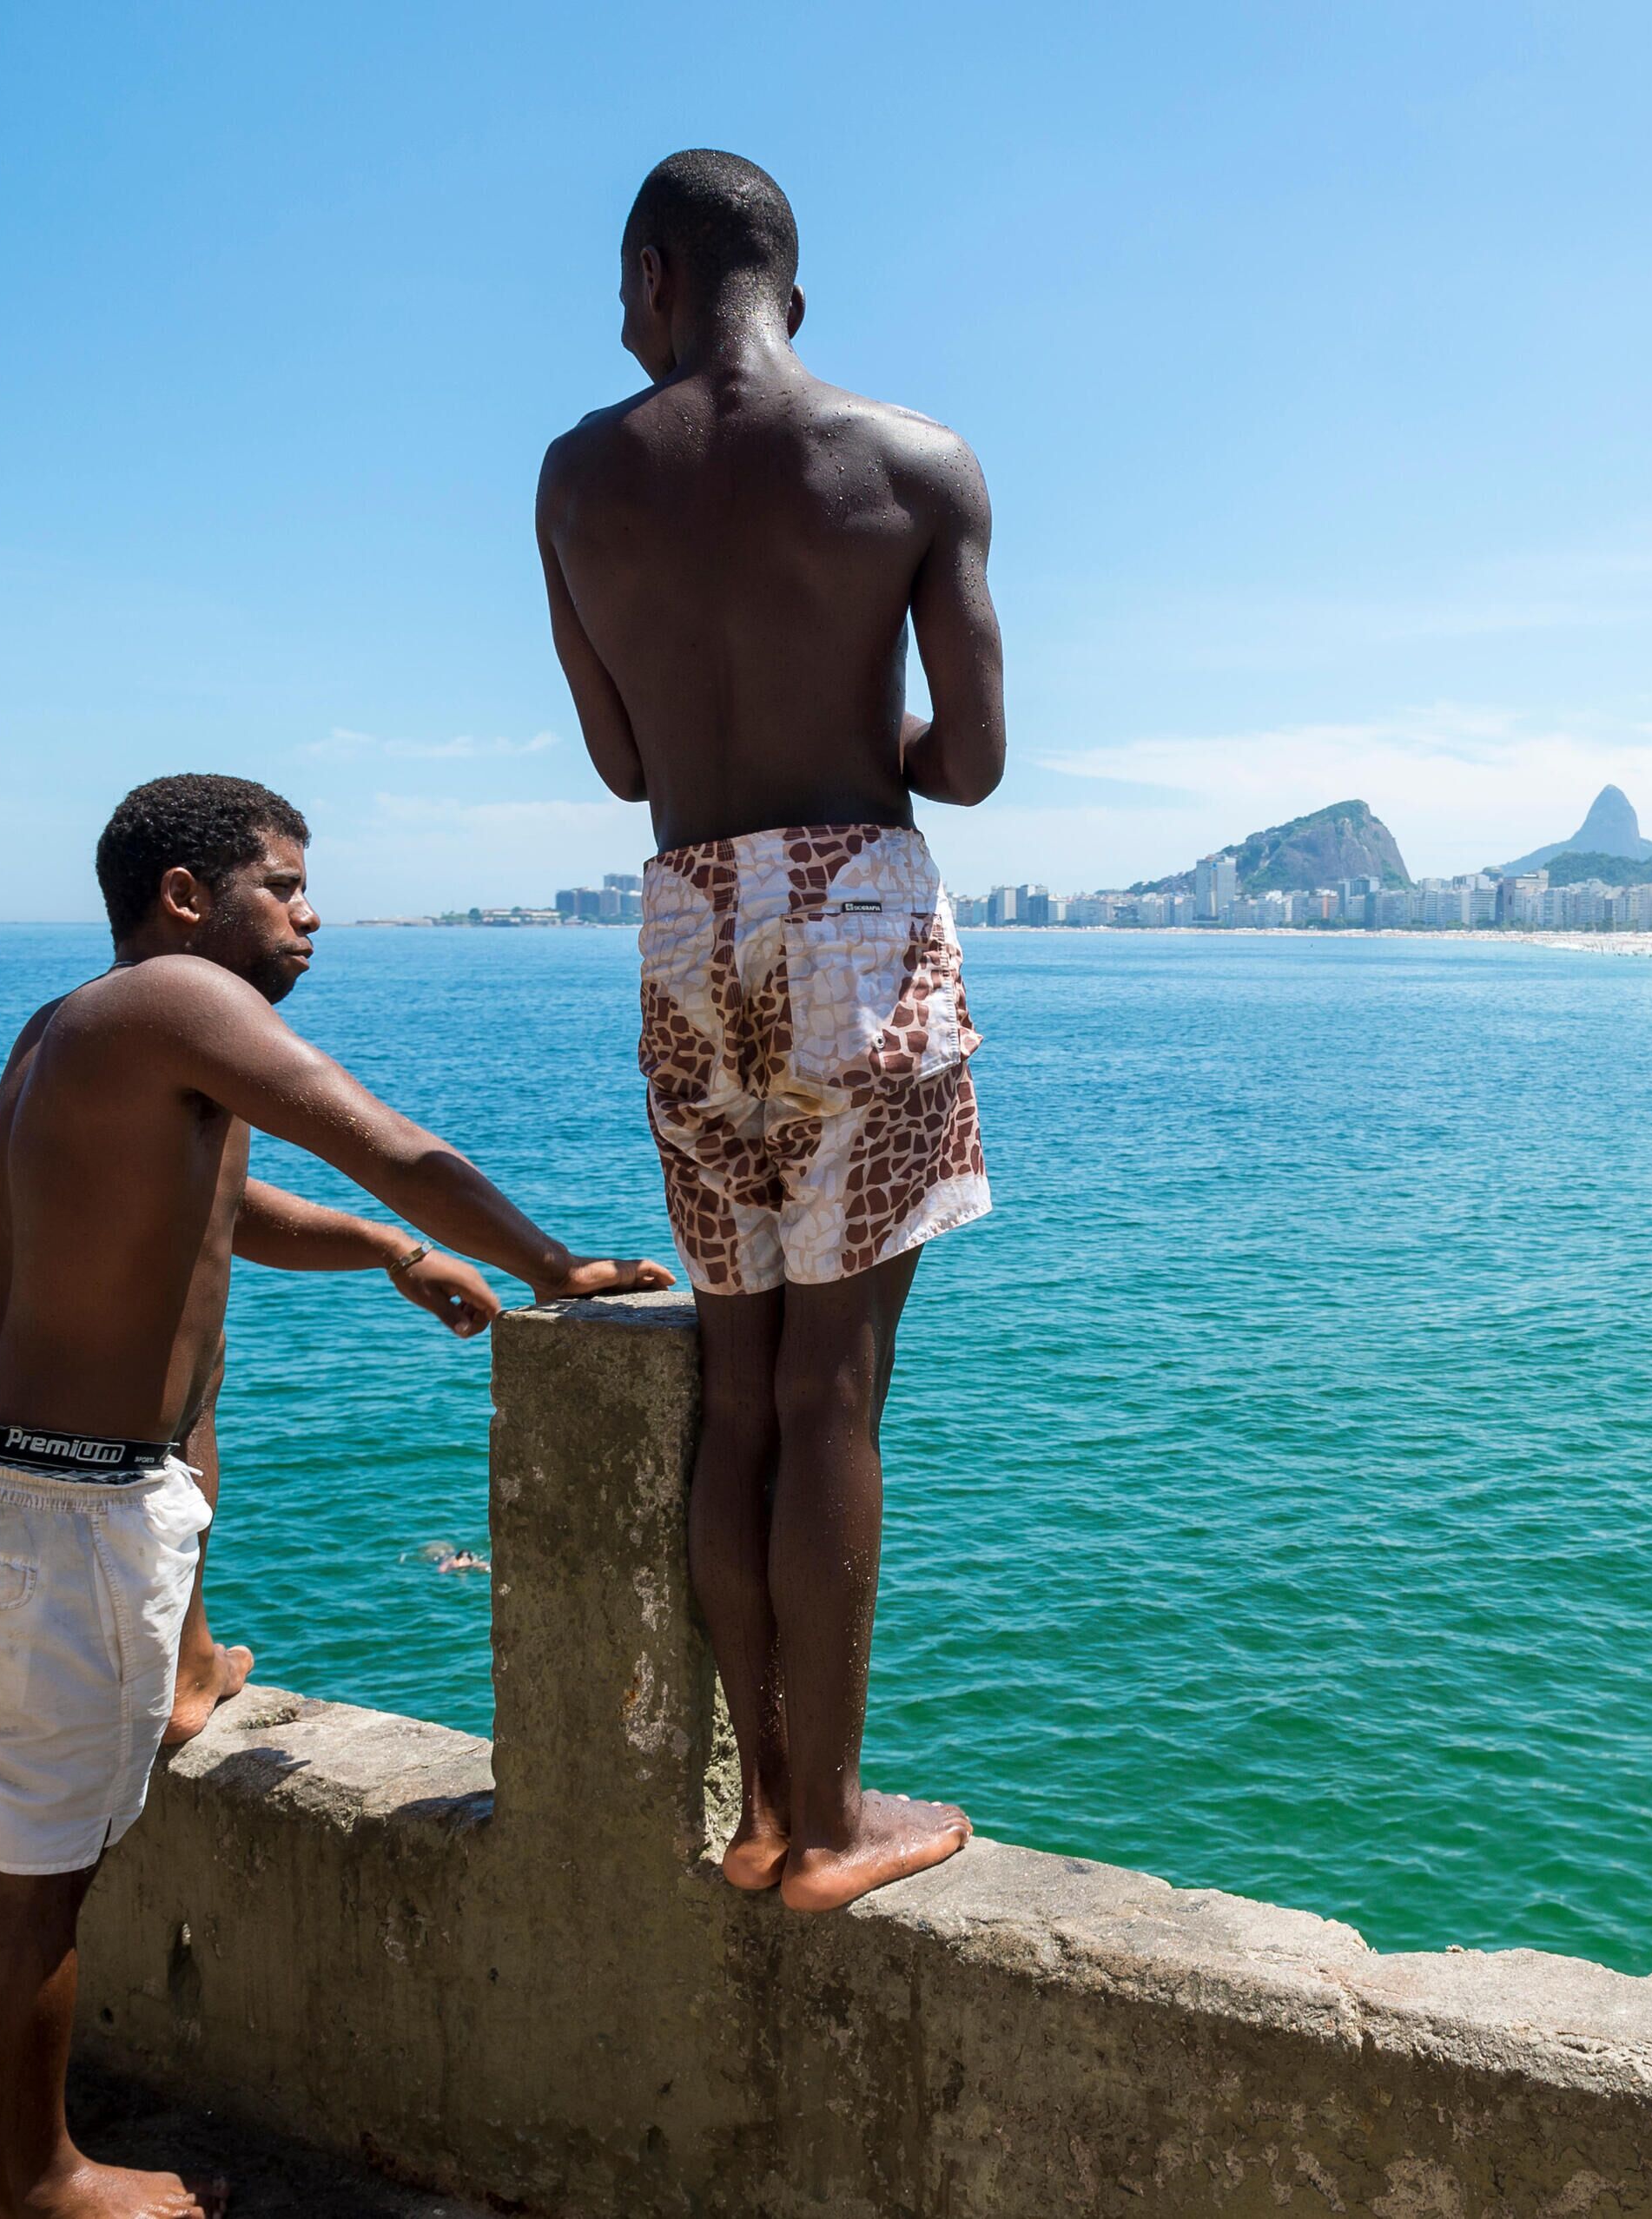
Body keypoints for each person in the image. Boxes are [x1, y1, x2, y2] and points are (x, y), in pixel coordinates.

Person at [0, 774, 671, 2219]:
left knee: (163, 1484)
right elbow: (374, 1133)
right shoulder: (178, 1005)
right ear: (187, 899)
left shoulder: (89, 1026)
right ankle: (28, 2183)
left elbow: (222, 1210)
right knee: (34, 1878)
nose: (315, 917)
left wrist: (384, 1251)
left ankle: (179, 1673)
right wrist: (554, 1268)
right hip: (51, 1514)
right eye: (286, 887)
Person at [540, 149, 1001, 1913]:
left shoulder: (579, 477)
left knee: (742, 1389)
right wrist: (849, 728)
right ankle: (830, 1821)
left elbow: (625, 760)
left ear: (654, 273)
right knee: (839, 1394)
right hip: (863, 923)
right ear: (788, 292)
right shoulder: (912, 463)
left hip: (688, 928)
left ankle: (759, 1812)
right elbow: (969, 762)